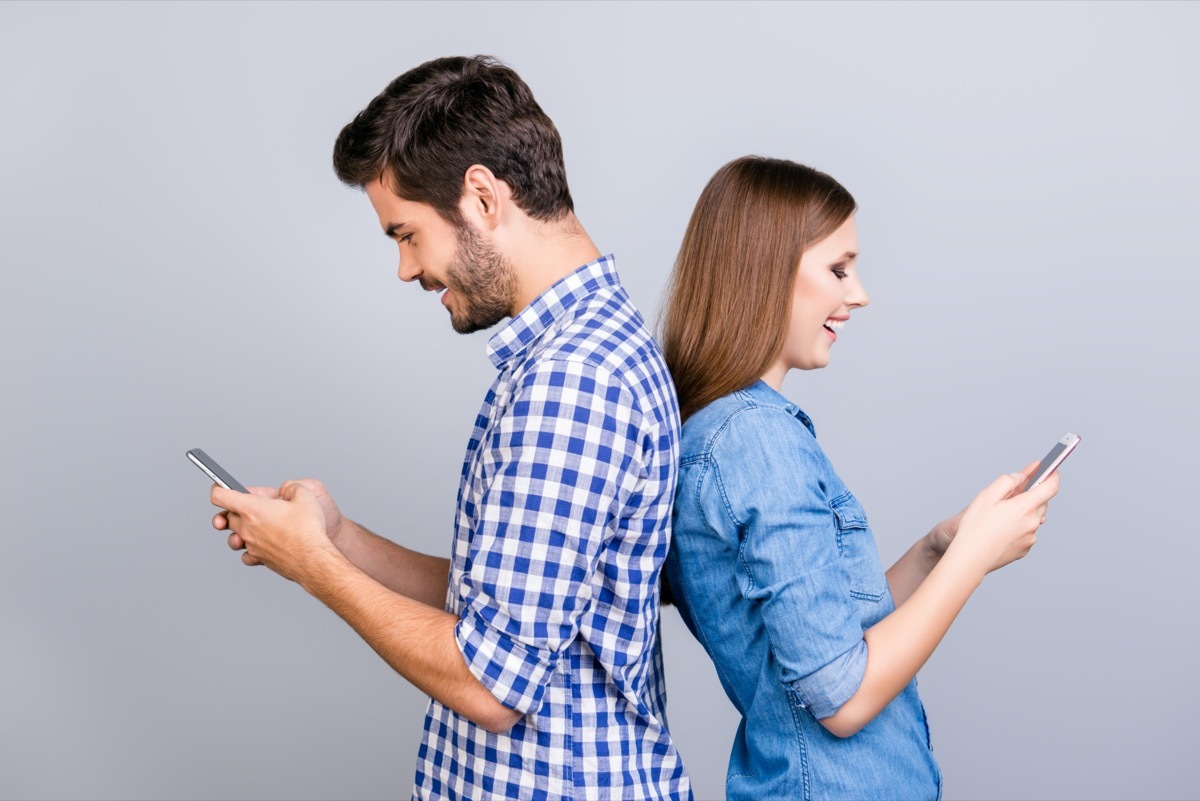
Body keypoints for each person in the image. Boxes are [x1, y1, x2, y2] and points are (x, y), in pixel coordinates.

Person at [208, 56, 690, 801]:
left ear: (483, 197)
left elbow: (490, 683)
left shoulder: (574, 380)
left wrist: (316, 568)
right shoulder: (567, 357)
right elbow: (502, 600)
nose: (406, 269)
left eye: (406, 234)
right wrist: (338, 537)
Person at [659, 156, 1059, 801]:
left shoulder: (720, 432)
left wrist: (938, 549)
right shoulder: (758, 441)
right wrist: (976, 558)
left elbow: (825, 628)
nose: (859, 293)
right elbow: (841, 697)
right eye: (838, 269)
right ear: (765, 271)